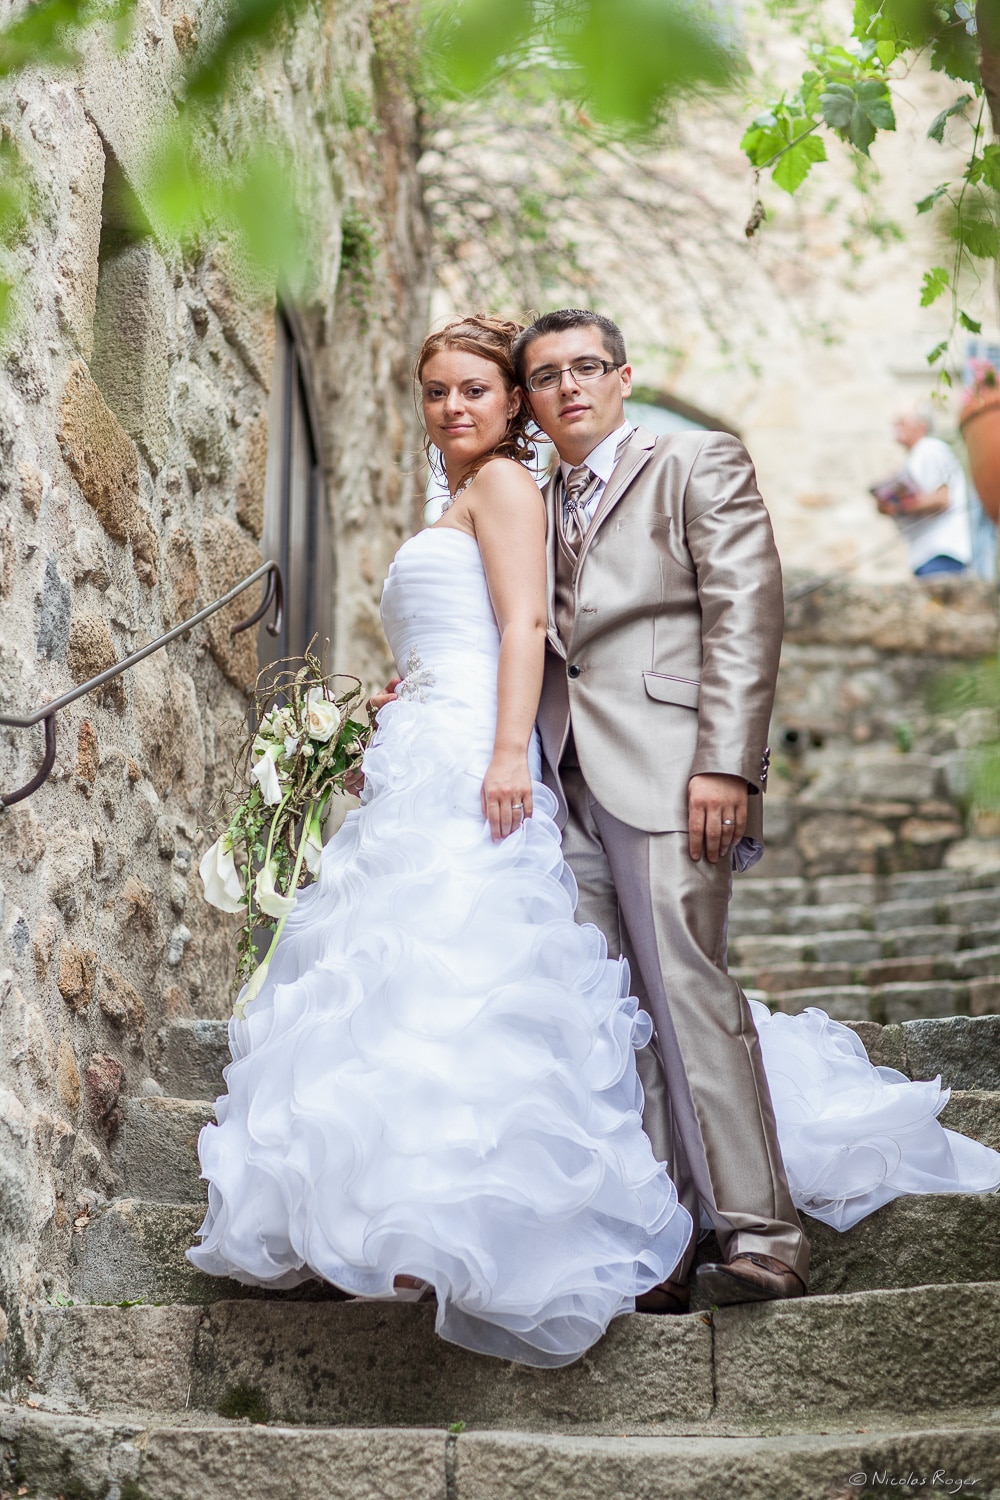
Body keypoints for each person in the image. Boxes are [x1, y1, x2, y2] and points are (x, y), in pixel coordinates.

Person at [189, 315, 1000, 1363]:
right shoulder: (535, 488)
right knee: (601, 1000)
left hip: (650, 765)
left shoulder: (684, 461)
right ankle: (651, 1235)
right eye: (534, 376)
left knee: (680, 985)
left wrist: (725, 762)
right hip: (542, 770)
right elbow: (510, 625)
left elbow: (738, 608)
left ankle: (757, 1229)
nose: (543, 391)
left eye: (569, 372)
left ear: (617, 378)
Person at [876, 410, 972, 578]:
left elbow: (942, 498)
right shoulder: (919, 454)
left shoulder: (928, 449)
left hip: (941, 550)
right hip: (929, 552)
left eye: (902, 422)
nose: (896, 427)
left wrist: (898, 506)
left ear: (922, 426)